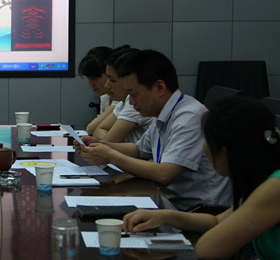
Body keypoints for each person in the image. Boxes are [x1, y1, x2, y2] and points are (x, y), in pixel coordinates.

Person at [123, 97, 280, 260]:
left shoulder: (274, 187)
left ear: (226, 149)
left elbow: (208, 248)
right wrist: (166, 216)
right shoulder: (263, 179)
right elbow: (217, 221)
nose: (204, 149)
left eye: (207, 141)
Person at [78, 49, 231, 210]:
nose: (131, 102)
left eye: (134, 95)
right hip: (168, 200)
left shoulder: (189, 116)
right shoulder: (163, 112)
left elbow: (165, 174)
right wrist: (100, 145)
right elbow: (138, 150)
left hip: (199, 210)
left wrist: (110, 155)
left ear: (159, 87)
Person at [93, 47, 154, 143]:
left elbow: (109, 141)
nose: (106, 85)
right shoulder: (124, 101)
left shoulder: (135, 102)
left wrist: (108, 143)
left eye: (112, 80)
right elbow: (99, 130)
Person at [79, 46, 114, 134]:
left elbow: (91, 128)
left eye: (94, 78)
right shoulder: (105, 97)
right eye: (88, 78)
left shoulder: (125, 99)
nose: (90, 84)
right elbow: (95, 130)